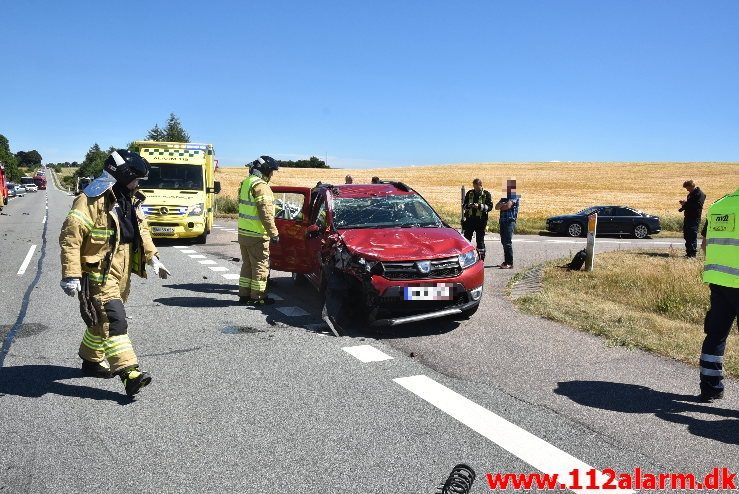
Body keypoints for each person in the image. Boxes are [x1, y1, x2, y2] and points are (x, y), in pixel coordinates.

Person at [59, 150, 170, 397]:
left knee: (101, 321)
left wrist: (153, 259)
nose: (139, 183)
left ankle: (90, 361)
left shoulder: (129, 197)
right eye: (136, 178)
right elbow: (71, 238)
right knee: (114, 319)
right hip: (98, 272)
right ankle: (129, 373)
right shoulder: (90, 199)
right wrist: (71, 274)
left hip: (122, 270)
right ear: (121, 175)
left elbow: (141, 230)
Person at [697, 187, 739, 402]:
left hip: (719, 282)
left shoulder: (719, 206)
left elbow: (705, 244)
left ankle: (710, 387)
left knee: (715, 335)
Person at [238, 155, 280, 305]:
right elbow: (266, 214)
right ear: (266, 170)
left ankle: (244, 295)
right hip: (257, 235)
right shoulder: (261, 186)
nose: (272, 175)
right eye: (271, 172)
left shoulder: (246, 183)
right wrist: (274, 233)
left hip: (244, 233)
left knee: (247, 265)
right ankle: (258, 297)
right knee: (261, 266)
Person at [462, 178, 493, 261]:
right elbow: (464, 205)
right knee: (466, 239)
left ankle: (481, 258)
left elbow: (489, 207)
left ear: (480, 185)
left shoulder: (486, 194)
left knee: (480, 240)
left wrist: (479, 206)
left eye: (477, 187)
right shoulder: (469, 193)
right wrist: (469, 206)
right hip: (470, 220)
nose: (475, 189)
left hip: (481, 221)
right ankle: (465, 257)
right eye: (474, 187)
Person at [494, 179, 520, 269]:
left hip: (509, 221)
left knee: (507, 242)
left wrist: (502, 205)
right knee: (504, 242)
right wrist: (502, 205)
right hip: (502, 221)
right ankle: (505, 262)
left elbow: (507, 206)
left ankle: (510, 263)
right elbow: (496, 207)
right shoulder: (504, 197)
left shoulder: (514, 196)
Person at [678, 180, 706, 258]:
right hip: (688, 217)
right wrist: (683, 207)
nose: (687, 190)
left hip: (694, 218)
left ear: (691, 186)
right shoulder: (690, 195)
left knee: (692, 235)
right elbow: (690, 205)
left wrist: (685, 204)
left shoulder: (700, 194)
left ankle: (692, 254)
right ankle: (688, 253)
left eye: (687, 188)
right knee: (687, 235)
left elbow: (697, 206)